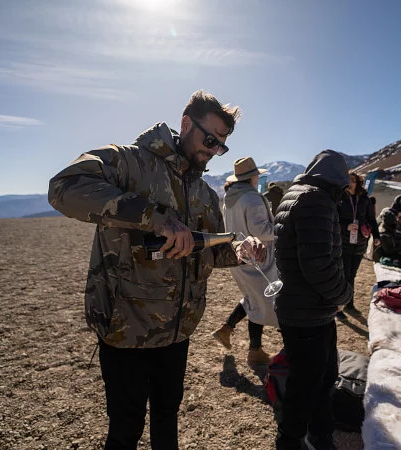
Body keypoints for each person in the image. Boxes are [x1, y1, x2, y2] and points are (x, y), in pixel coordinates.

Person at [48, 90, 265, 450]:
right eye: (209, 140)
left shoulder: (203, 192)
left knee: (167, 418)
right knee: (125, 431)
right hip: (126, 329)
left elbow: (211, 249)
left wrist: (240, 251)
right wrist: (155, 219)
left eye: (220, 147)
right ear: (185, 124)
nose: (212, 151)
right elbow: (64, 187)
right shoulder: (129, 162)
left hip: (176, 333)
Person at [273, 150, 353, 450]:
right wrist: (343, 295)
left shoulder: (297, 194)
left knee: (322, 379)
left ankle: (321, 437)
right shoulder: (316, 200)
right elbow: (318, 265)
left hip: (304, 308)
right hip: (308, 311)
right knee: (307, 387)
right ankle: (290, 442)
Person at [212, 157, 278, 365]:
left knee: (253, 298)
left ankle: (226, 329)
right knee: (262, 305)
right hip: (259, 258)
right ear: (252, 177)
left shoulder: (230, 199)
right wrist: (281, 229)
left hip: (239, 257)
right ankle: (255, 352)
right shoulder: (252, 198)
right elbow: (261, 231)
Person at [336, 171, 380, 318]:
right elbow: (333, 219)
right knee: (344, 274)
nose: (350, 182)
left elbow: (371, 219)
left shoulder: (364, 199)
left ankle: (349, 303)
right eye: (348, 179)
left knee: (352, 275)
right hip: (343, 241)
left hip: (359, 242)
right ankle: (338, 308)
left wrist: (377, 235)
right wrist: (345, 226)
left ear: (358, 182)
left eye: (353, 180)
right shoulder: (339, 197)